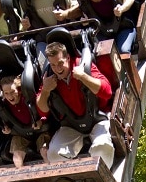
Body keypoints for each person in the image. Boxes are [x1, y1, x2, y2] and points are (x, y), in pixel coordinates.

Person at [36, 40, 114, 168]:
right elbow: (42, 111)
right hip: (71, 124)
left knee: (102, 148)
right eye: (53, 65)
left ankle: (102, 179)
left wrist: (83, 77)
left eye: (61, 63)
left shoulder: (81, 65)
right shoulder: (49, 75)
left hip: (97, 118)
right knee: (54, 154)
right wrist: (45, 90)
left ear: (68, 58)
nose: (58, 69)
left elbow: (107, 92)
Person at [0, 75, 50, 168]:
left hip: (39, 131)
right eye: (6, 93)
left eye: (13, 92)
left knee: (44, 151)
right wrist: (6, 128)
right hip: (21, 134)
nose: (10, 96)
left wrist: (41, 121)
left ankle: (50, 172)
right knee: (17, 155)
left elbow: (45, 112)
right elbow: (5, 121)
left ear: (19, 90)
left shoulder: (29, 99)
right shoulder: (4, 105)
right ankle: (21, 177)